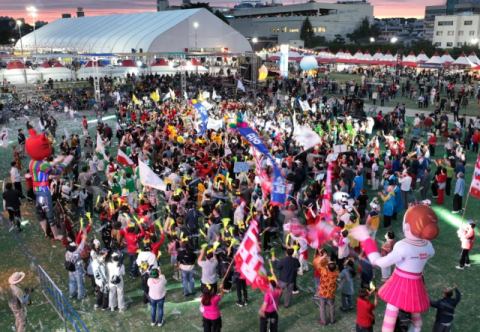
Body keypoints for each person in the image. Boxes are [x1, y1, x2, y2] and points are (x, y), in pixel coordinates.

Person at [258, 268, 283, 332]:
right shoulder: (277, 289)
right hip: (274, 309)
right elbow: (276, 281)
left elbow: (265, 304)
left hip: (267, 311)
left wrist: (262, 310)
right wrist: (272, 273)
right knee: (274, 322)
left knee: (263, 323)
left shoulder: (268, 294)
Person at [66, 234, 88, 300]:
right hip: (77, 270)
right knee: (80, 283)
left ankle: (71, 294)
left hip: (70, 270)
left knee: (72, 282)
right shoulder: (76, 253)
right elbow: (80, 248)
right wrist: (83, 239)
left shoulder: (67, 253)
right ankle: (80, 296)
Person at [317, 260, 339, 326]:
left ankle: (323, 321)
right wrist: (332, 264)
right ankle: (332, 320)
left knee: (322, 307)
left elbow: (318, 264)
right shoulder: (336, 273)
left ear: (327, 267)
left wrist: (327, 261)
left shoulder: (324, 271)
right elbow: (335, 267)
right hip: (331, 294)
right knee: (332, 306)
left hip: (322, 293)